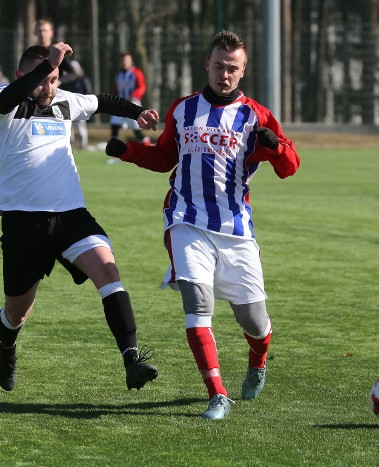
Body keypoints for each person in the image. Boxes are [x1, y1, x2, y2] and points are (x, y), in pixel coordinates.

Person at [105, 30, 300, 420]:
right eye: (218, 66)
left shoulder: (256, 116)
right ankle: (217, 393)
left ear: (242, 72)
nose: (224, 74)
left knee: (255, 323)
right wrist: (126, 150)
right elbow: (163, 158)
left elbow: (289, 167)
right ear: (207, 66)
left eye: (232, 68)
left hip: (235, 229)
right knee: (198, 304)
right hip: (186, 220)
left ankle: (258, 362)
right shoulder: (183, 110)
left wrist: (275, 146)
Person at [0, 42, 160, 392]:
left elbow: (104, 101)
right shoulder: (2, 101)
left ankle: (131, 360)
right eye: (40, 79)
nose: (47, 87)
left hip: (71, 218)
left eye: (53, 79)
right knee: (17, 313)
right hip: (24, 224)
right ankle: (6, 343)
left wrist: (136, 112)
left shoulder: (65, 101)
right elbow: (10, 97)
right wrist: (45, 65)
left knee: (109, 271)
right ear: (21, 75)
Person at [109, 52, 151, 145]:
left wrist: (133, 95)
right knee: (114, 127)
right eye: (123, 60)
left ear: (131, 61)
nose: (124, 62)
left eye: (127, 60)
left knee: (137, 131)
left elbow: (142, 87)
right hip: (119, 104)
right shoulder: (119, 74)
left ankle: (148, 148)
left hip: (133, 104)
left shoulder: (137, 73)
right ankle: (115, 153)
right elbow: (116, 90)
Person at [59, 60, 93, 149]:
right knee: (69, 129)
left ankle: (83, 146)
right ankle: (70, 146)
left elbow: (88, 92)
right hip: (68, 108)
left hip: (80, 107)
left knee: (81, 128)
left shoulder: (83, 80)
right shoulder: (66, 81)